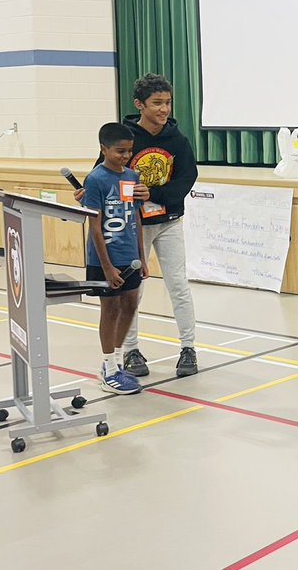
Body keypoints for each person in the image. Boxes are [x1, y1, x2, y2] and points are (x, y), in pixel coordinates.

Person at [75, 73, 200, 378]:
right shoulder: (124, 139)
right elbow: (101, 176)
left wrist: (155, 194)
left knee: (178, 285)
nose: (164, 109)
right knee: (133, 291)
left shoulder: (178, 140)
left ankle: (188, 347)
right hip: (132, 226)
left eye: (167, 102)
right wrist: (88, 193)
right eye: (157, 103)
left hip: (168, 222)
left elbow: (187, 177)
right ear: (139, 104)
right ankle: (130, 350)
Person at [81, 122, 148, 395]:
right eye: (120, 151)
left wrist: (142, 256)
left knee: (130, 305)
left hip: (129, 257)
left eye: (129, 151)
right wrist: (107, 266)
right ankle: (109, 370)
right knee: (110, 310)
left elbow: (136, 218)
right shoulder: (95, 179)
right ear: (103, 149)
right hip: (104, 259)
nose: (125, 156)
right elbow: (95, 226)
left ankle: (117, 362)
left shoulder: (132, 176)